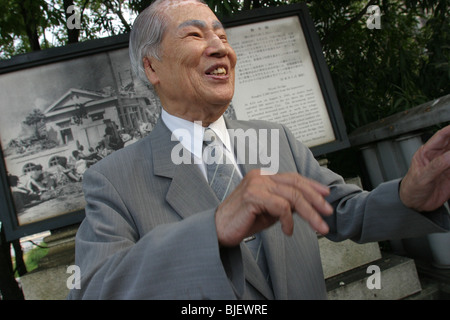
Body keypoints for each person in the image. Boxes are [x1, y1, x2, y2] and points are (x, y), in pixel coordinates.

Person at [68, 0, 449, 300]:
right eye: (195, 36)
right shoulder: (113, 179)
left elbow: (346, 211)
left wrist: (408, 196)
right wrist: (213, 230)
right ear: (152, 68)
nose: (220, 48)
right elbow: (97, 289)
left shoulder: (276, 139)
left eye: (222, 36)